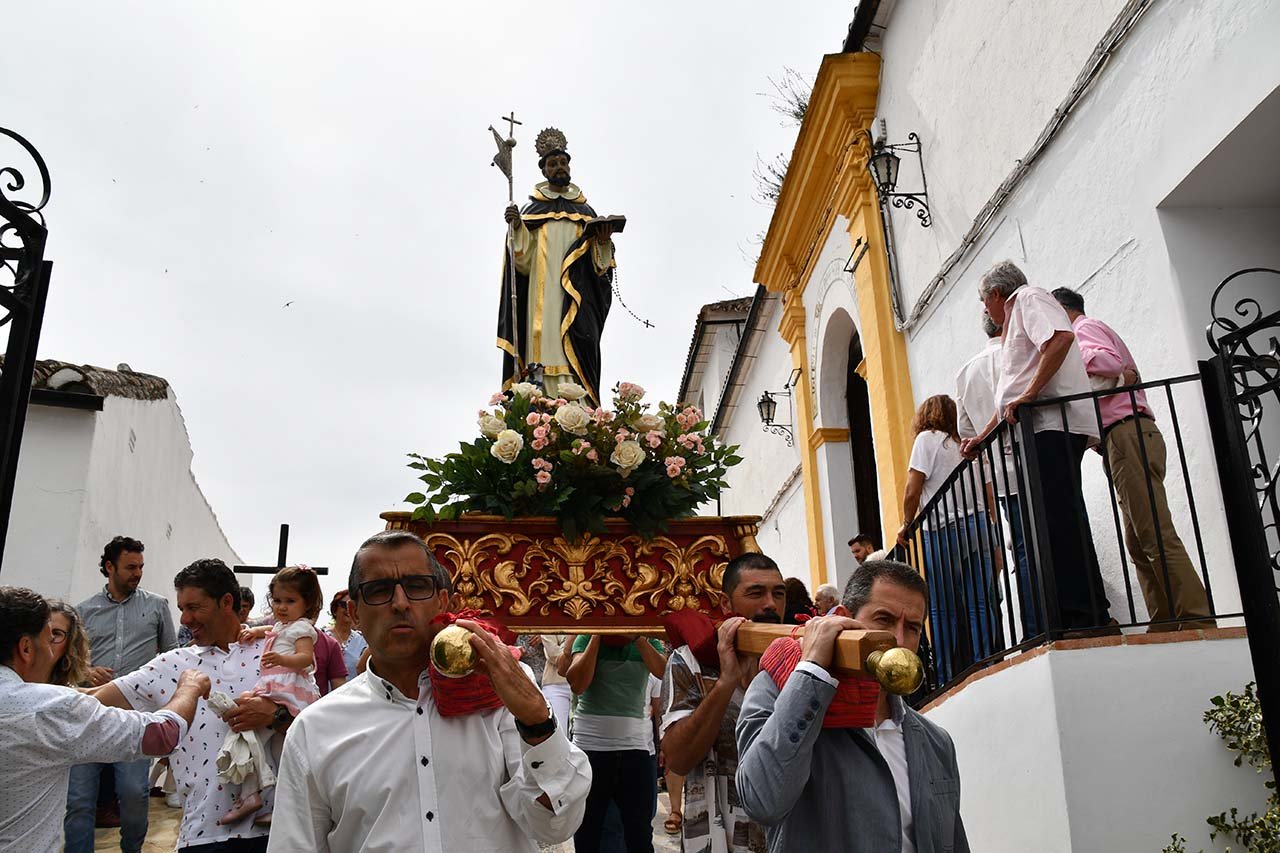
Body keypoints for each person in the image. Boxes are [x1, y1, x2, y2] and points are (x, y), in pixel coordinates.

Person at [268, 530, 591, 851]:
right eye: (379, 590)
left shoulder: (498, 694)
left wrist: (537, 720)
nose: (400, 603)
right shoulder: (315, 730)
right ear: (354, 614)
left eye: (417, 587)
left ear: (443, 602)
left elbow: (554, 824)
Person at [736, 561, 969, 852]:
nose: (898, 640)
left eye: (912, 628)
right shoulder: (778, 691)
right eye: (883, 619)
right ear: (845, 620)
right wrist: (811, 669)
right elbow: (761, 801)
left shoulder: (937, 743)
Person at [84, 558, 297, 852]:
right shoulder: (172, 665)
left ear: (226, 602)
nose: (185, 619)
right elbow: (94, 699)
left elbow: (315, 729)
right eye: (182, 608)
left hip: (276, 833)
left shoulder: (277, 652)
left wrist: (276, 716)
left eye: (194, 607)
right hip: (202, 836)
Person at [1052, 287, 1214, 631]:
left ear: (1063, 310)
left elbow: (1108, 362)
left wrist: (1078, 377)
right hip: (1126, 437)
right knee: (1139, 542)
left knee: (1153, 532)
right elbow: (1120, 370)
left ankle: (1195, 617)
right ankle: (1165, 623)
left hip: (1126, 434)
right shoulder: (1090, 328)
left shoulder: (1082, 329)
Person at [963, 261, 1112, 633]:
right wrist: (982, 437)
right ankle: (1080, 613)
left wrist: (1029, 396)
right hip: (1041, 428)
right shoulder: (1018, 314)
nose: (985, 310)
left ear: (997, 293)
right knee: (1056, 520)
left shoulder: (1028, 298)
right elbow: (1008, 398)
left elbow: (1060, 339)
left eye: (984, 301)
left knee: (1060, 521)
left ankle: (1084, 615)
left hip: (1050, 427)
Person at [0, 586, 209, 850]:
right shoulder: (52, 709)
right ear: (26, 649)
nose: (52, 651)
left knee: (131, 794)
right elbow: (162, 734)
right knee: (80, 802)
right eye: (48, 639)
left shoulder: (49, 704)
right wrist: (189, 688)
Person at [660, 552, 786, 853]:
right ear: (726, 603)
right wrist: (726, 682)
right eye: (756, 593)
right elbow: (678, 758)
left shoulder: (800, 656)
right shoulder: (690, 661)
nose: (770, 604)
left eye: (779, 593)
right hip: (719, 837)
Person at [67, 535, 177, 853]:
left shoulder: (157, 606)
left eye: (141, 567)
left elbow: (172, 657)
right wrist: (87, 671)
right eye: (130, 567)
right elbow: (69, 662)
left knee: (133, 795)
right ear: (109, 567)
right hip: (89, 717)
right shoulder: (82, 611)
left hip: (134, 720)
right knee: (78, 800)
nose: (138, 573)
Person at [499, 126, 618, 404]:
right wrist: (516, 227)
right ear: (544, 170)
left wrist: (602, 242)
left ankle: (577, 399)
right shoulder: (532, 212)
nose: (559, 167)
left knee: (579, 342)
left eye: (563, 162)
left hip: (575, 296)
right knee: (542, 338)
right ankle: (539, 395)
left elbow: (599, 269)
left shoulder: (585, 214)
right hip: (541, 296)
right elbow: (522, 262)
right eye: (553, 164)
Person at [218, 566, 323, 825]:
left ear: (307, 603)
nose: (282, 607)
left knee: (255, 738)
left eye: (290, 601)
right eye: (277, 600)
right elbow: (273, 631)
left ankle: (252, 796)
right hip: (275, 688)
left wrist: (282, 659)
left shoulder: (303, 628)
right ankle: (275, 804)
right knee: (277, 752)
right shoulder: (282, 626)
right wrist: (256, 632)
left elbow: (305, 658)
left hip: (287, 691)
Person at [955, 312, 1038, 636]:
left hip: (1002, 476)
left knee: (1022, 548)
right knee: (1052, 538)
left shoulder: (966, 371)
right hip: (1037, 458)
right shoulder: (1019, 353)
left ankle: (1033, 627)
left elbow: (966, 429)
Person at [566, 623, 666, 852]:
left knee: (639, 834)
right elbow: (577, 684)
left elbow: (663, 672)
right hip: (590, 748)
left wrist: (637, 637)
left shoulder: (648, 639)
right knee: (587, 830)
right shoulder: (586, 638)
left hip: (635, 748)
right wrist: (597, 635)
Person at [47, 598, 92, 689]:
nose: (47, 638)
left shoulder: (72, 694)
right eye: (40, 631)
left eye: (56, 633)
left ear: (71, 643)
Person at [324, 590, 367, 678]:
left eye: (354, 606)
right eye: (344, 605)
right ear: (335, 610)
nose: (348, 609)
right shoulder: (322, 637)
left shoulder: (363, 641)